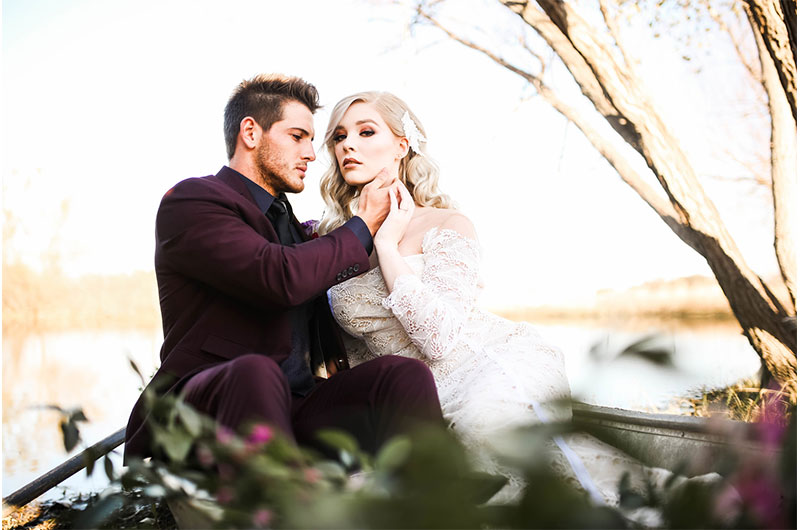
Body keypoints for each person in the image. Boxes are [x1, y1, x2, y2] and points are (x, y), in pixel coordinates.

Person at [319, 91, 718, 510]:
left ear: (402, 145)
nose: (348, 144)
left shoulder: (447, 223)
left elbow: (439, 338)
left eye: (366, 132)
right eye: (339, 136)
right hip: (414, 397)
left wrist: (386, 246)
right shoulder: (334, 242)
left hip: (486, 365)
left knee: (496, 444)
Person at [123, 76, 444, 463]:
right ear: (250, 133)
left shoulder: (294, 227)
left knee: (401, 375)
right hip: (212, 408)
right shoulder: (193, 201)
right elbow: (278, 278)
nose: (312, 153)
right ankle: (290, 509)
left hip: (297, 410)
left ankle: (437, 493)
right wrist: (362, 225)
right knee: (255, 373)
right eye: (297, 137)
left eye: (312, 141)